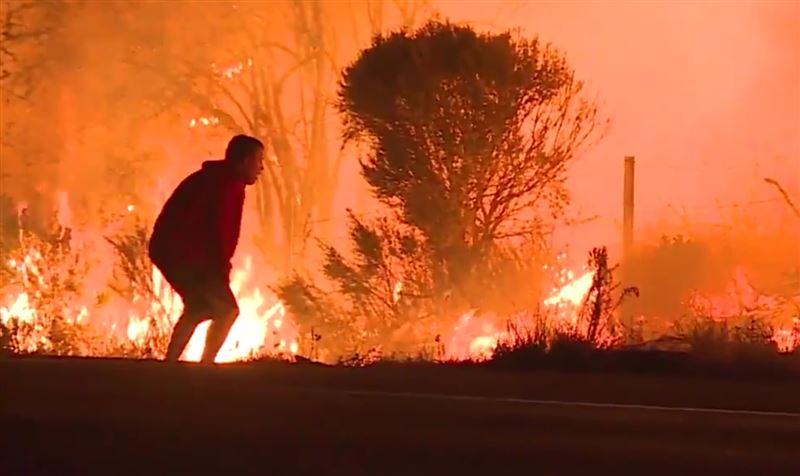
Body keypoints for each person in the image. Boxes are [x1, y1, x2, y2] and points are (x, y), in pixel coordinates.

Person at [148, 134, 265, 363]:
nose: (261, 168)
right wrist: (220, 267)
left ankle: (170, 365)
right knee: (227, 310)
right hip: (185, 255)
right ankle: (205, 367)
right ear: (243, 161)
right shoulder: (222, 185)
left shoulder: (222, 181)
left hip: (176, 252)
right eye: (258, 160)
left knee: (199, 307)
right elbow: (216, 230)